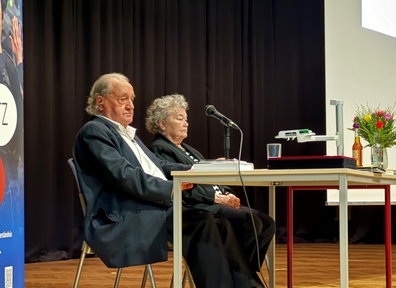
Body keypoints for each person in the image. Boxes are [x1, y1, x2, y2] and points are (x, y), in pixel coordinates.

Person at [73, 73, 264, 288]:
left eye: (132, 99)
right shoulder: (95, 131)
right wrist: (173, 187)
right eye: (122, 99)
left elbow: (159, 166)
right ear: (101, 102)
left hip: (152, 205)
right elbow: (124, 175)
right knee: (200, 220)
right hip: (126, 213)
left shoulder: (128, 134)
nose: (130, 106)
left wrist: (199, 168)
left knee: (219, 220)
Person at [145, 94, 276, 273]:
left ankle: (240, 272)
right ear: (162, 124)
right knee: (251, 222)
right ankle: (240, 274)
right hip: (198, 206)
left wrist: (226, 192)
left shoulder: (189, 149)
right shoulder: (160, 149)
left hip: (214, 201)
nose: (186, 123)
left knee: (268, 223)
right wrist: (217, 198)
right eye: (180, 118)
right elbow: (183, 186)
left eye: (186, 119)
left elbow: (210, 176)